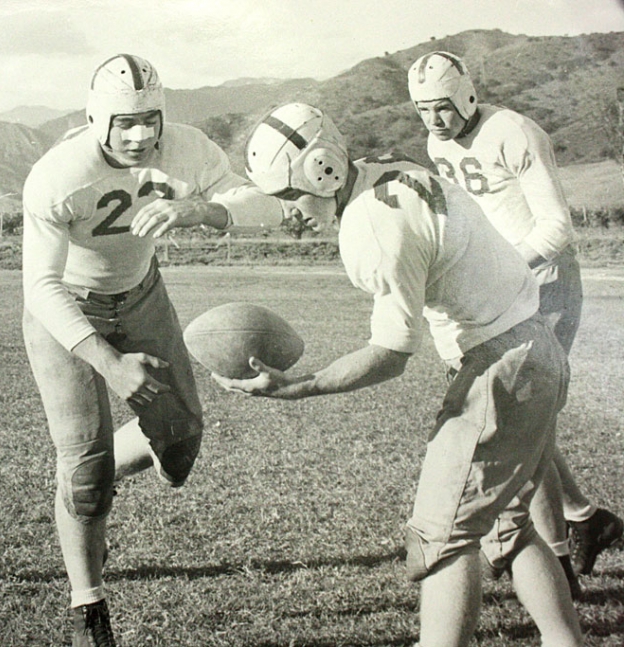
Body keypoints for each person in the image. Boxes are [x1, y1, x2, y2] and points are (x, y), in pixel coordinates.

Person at [218, 102, 583, 647]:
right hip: (537, 349)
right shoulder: (383, 166)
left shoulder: (370, 227)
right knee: (508, 523)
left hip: (502, 366)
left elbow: (390, 354)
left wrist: (297, 386)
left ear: (325, 170)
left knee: (439, 538)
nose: (286, 211)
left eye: (289, 196)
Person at [21, 53, 280, 646]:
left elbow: (266, 205)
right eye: (123, 123)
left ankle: (83, 464)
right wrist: (110, 365)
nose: (139, 136)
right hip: (67, 309)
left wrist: (204, 209)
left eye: (149, 120)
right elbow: (40, 286)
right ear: (95, 118)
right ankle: (90, 603)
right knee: (86, 477)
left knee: (182, 443)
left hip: (142, 297)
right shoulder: (59, 173)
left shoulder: (188, 148)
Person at [407, 50, 622, 591]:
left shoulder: (513, 131)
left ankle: (560, 557)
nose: (435, 120)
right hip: (496, 291)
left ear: (467, 96)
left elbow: (556, 231)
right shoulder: (437, 143)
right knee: (526, 422)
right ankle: (580, 520)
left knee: (525, 422)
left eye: (443, 107)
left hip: (545, 285)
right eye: (423, 109)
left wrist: (500, 268)